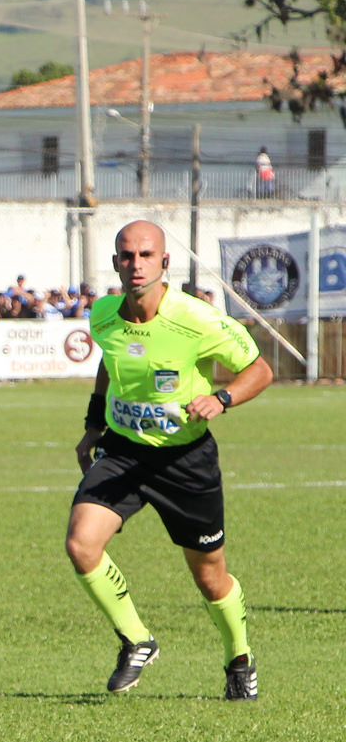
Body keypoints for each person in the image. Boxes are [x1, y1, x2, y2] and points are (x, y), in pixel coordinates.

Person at [67, 220, 273, 699]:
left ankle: (239, 658)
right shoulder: (103, 315)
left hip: (185, 461)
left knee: (209, 575)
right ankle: (136, 639)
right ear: (116, 262)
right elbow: (108, 363)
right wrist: (93, 426)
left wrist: (221, 400)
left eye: (145, 256)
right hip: (122, 452)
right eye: (126, 256)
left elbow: (259, 370)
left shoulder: (196, 319)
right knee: (81, 544)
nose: (134, 265)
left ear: (164, 263)